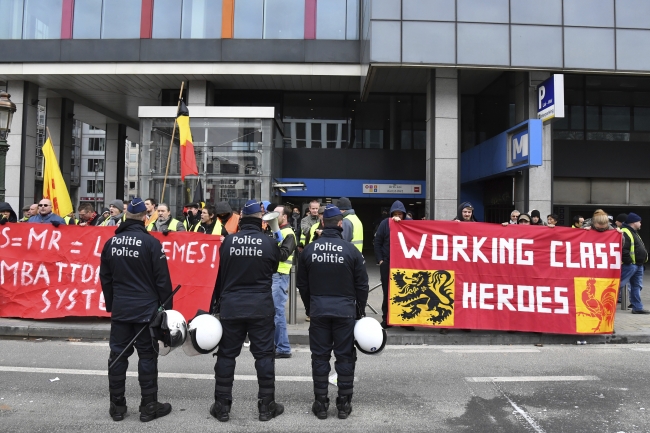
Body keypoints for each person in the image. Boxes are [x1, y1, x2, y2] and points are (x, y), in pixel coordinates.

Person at [208, 200, 292, 422]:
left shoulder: (228, 242)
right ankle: (266, 407)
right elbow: (274, 266)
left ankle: (222, 407)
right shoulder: (268, 243)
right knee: (264, 356)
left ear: (242, 218)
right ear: (261, 220)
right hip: (260, 307)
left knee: (226, 356)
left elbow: (221, 272)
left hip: (231, 306)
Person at [99, 198, 174, 422]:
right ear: (144, 218)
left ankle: (117, 406)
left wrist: (113, 305)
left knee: (118, 355)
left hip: (122, 309)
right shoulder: (151, 243)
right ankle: (149, 405)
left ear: (125, 217)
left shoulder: (111, 243)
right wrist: (167, 311)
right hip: (146, 311)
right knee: (147, 356)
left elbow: (105, 279)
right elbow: (162, 280)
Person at [298, 204, 369, 420]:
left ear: (321, 223)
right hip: (345, 312)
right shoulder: (351, 251)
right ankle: (344, 404)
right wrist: (359, 311)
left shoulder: (310, 250)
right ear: (340, 224)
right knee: (345, 357)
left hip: (319, 311)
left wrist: (311, 307)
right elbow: (362, 285)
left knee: (320, 357)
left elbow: (303, 284)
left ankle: (320, 404)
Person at [373, 200, 414, 331]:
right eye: (395, 213)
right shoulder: (385, 224)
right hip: (388, 263)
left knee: (407, 293)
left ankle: (405, 320)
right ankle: (387, 319)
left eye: (400, 214)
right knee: (388, 292)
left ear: (404, 214)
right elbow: (377, 242)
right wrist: (380, 260)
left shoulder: (410, 224)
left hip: (405, 265)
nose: (397, 216)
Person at [270, 205, 297, 359]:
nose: (274, 216)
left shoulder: (289, 234)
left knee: (278, 313)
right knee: (274, 312)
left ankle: (284, 348)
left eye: (277, 214)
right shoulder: (277, 231)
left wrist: (272, 244)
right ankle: (277, 345)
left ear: (285, 217)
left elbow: (283, 255)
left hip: (280, 276)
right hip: (275, 276)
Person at [620, 213, 649, 314]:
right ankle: (605, 304)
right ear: (633, 222)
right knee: (619, 284)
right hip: (630, 265)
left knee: (636, 286)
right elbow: (623, 249)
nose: (641, 224)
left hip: (637, 264)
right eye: (639, 221)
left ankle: (637, 307)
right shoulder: (625, 232)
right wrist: (629, 262)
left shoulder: (633, 232)